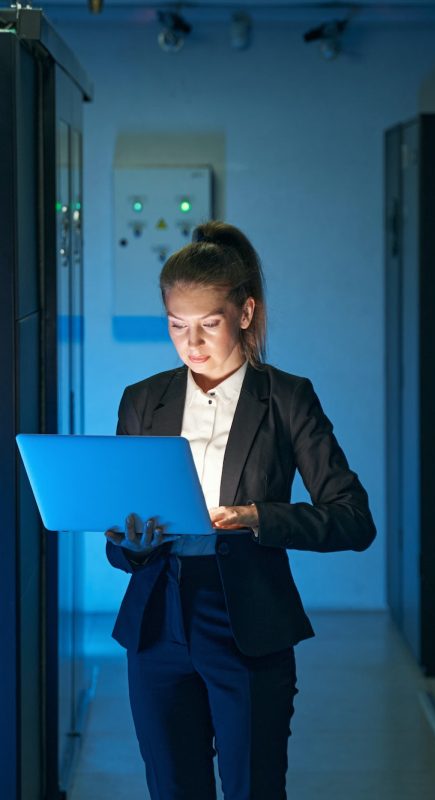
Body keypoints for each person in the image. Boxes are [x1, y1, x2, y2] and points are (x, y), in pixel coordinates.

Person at [105, 220, 376, 800]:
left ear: (245, 314)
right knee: (173, 788)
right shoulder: (142, 400)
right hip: (157, 622)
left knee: (254, 788)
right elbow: (118, 548)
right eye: (177, 326)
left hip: (246, 618)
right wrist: (133, 539)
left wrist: (259, 516)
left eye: (209, 324)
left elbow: (353, 518)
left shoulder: (286, 398)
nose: (192, 342)